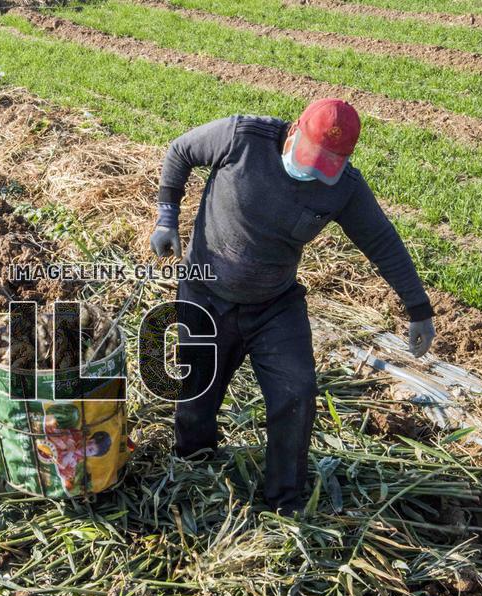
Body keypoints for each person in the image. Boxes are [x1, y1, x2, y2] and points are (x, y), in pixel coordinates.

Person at [150, 98, 435, 516]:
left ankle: (284, 502)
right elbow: (181, 150)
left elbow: (381, 240)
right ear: (293, 133)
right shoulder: (241, 137)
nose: (314, 172)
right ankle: (195, 470)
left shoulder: (344, 188)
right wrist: (166, 217)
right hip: (205, 291)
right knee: (196, 395)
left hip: (274, 304)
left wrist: (419, 308)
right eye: (309, 157)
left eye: (326, 165)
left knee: (297, 393)